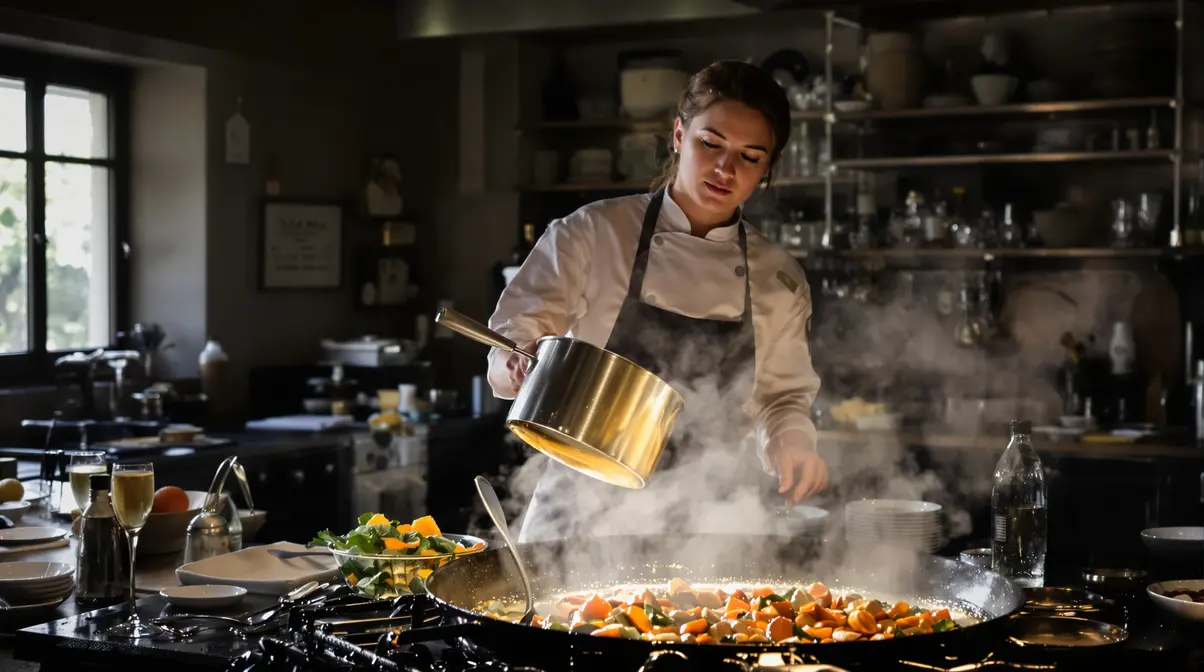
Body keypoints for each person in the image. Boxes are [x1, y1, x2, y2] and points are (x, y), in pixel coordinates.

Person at [487, 60, 827, 543]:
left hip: (708, 521)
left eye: (750, 157)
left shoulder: (779, 278)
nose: (726, 169)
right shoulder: (593, 232)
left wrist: (791, 442)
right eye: (710, 144)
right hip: (580, 509)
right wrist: (517, 363)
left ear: (766, 171)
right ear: (678, 135)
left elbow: (782, 398)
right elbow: (509, 343)